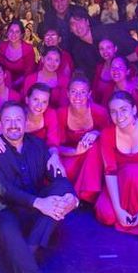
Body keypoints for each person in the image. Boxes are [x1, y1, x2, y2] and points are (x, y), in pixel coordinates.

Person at [0, 102, 79, 273]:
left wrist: (72, 198)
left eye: (18, 120)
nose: (13, 125)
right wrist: (39, 203)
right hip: (4, 210)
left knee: (61, 190)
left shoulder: (38, 146)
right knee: (7, 228)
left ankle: (23, 265)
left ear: (25, 123)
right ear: (0, 125)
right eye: (8, 120)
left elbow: (58, 178)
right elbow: (2, 189)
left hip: (34, 212)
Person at [92, 92, 138, 235]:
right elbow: (110, 171)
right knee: (107, 215)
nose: (119, 116)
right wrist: (118, 210)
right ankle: (123, 211)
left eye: (124, 109)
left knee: (136, 172)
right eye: (114, 112)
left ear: (134, 109)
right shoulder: (107, 134)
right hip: (120, 182)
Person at [54, 74, 108, 202]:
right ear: (67, 94)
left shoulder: (100, 112)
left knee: (95, 145)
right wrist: (76, 152)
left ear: (89, 94)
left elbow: (110, 138)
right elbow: (55, 147)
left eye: (82, 92)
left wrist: (97, 133)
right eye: (74, 91)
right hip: (71, 154)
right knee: (63, 171)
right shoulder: (61, 114)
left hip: (94, 160)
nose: (78, 96)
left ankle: (87, 194)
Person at [0, 20, 37, 89]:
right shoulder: (2, 46)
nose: (13, 34)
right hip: (4, 82)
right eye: (11, 31)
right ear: (7, 33)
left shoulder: (28, 49)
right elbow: (0, 67)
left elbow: (29, 72)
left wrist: (15, 84)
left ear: (21, 34)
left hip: (23, 84)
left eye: (17, 32)